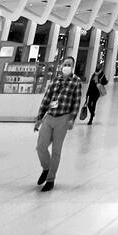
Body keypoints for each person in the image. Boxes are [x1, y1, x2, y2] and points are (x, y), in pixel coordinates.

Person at [34, 55, 82, 191]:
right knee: (40, 147)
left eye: (69, 65)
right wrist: (39, 118)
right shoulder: (55, 80)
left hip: (63, 118)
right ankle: (46, 168)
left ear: (72, 67)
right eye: (65, 64)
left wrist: (72, 119)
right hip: (49, 116)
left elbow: (76, 102)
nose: (66, 67)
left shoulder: (76, 81)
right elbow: (46, 98)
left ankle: (50, 179)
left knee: (56, 150)